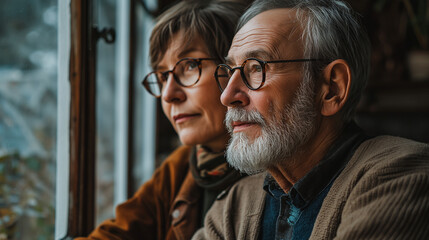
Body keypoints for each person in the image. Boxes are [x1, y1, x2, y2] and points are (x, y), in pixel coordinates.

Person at [192, 0, 429, 239]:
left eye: (256, 68)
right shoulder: (234, 206)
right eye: (231, 70)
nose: (227, 96)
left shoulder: (401, 176)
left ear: (331, 88)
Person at [75, 1, 247, 239]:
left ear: (235, 70)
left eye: (189, 66)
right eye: (163, 76)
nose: (168, 94)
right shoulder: (182, 166)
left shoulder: (279, 173)